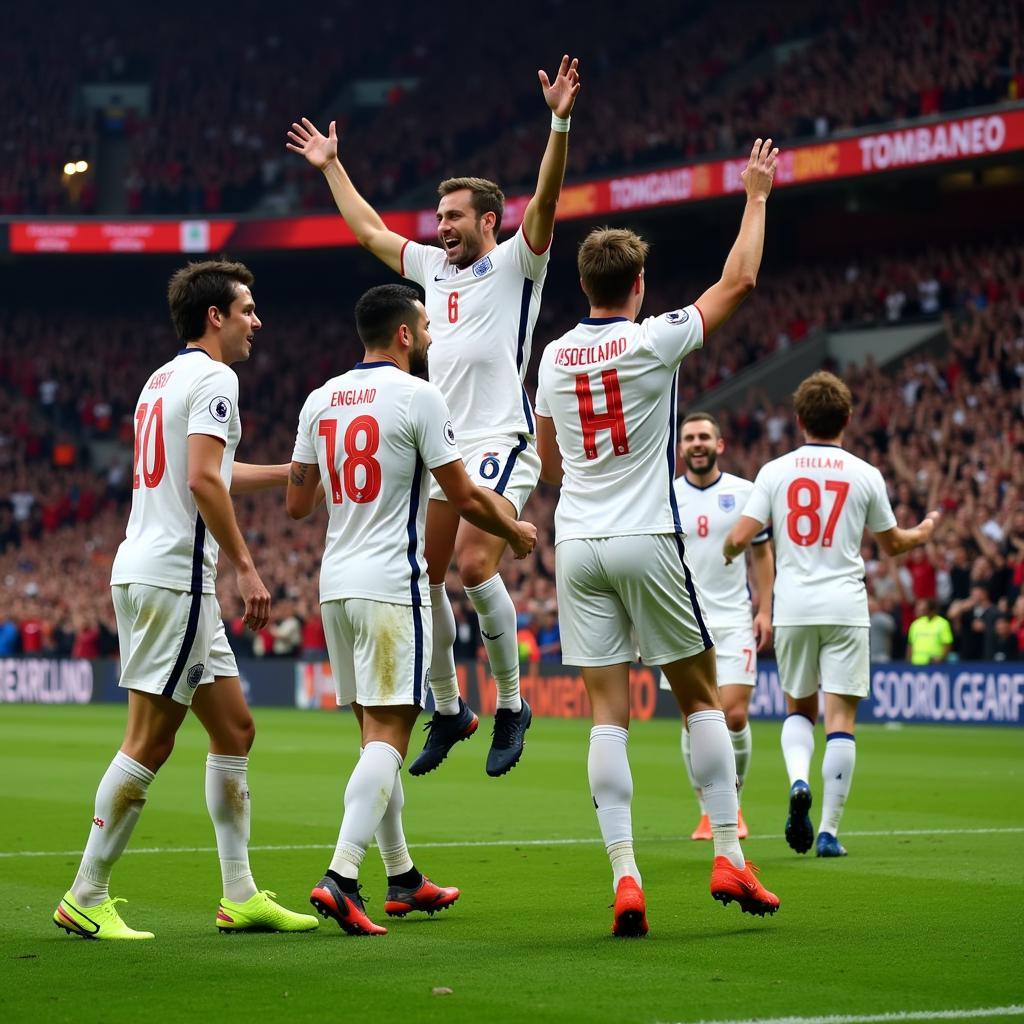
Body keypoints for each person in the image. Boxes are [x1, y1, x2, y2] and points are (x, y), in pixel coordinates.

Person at [286, 54, 580, 778]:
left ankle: (512, 702)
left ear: (488, 219)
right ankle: (449, 709)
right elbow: (367, 231)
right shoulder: (430, 271)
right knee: (425, 574)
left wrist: (559, 121)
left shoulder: (519, 261)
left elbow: (546, 198)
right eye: (438, 216)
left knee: (480, 562)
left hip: (501, 439)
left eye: (453, 216)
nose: (440, 226)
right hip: (443, 445)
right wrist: (331, 165)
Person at [534, 138, 782, 937]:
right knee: (698, 696)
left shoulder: (554, 354)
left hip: (577, 542)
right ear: (637, 286)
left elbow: (548, 462)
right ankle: (730, 854)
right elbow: (738, 281)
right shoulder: (655, 337)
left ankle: (627, 877)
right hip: (647, 532)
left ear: (582, 283)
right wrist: (754, 196)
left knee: (609, 714)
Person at [54, 259, 318, 940]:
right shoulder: (216, 378)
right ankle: (86, 892)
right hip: (177, 577)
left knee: (234, 728)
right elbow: (204, 482)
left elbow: (210, 470)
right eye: (248, 310)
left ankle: (239, 895)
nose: (256, 322)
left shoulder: (161, 379)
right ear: (216, 317)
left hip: (157, 569)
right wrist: (248, 567)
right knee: (150, 739)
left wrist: (290, 473)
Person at [286, 284, 537, 936]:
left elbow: (296, 503)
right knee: (390, 737)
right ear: (403, 334)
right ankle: (341, 876)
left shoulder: (320, 399)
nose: (429, 335)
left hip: (334, 584)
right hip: (392, 586)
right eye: (424, 325)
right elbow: (464, 496)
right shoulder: (422, 397)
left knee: (372, 735)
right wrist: (515, 532)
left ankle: (400, 876)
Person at [724, 371, 939, 858]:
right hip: (846, 604)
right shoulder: (865, 474)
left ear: (799, 419)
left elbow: (740, 537)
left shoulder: (775, 471)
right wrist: (924, 531)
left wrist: (725, 549)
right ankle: (828, 832)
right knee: (841, 718)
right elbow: (893, 544)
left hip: (794, 606)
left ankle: (799, 780)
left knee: (800, 708)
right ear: (847, 417)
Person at [665, 411, 774, 841]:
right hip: (682, 618)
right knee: (694, 720)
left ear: (719, 444)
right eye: (689, 437)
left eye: (704, 437)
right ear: (681, 447)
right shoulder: (667, 496)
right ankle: (708, 811)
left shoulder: (745, 493)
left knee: (733, 714)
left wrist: (765, 608)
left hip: (732, 618)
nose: (696, 443)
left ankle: (734, 801)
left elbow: (762, 554)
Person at [906, 599, 953, 665]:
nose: (920, 611)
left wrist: (941, 658)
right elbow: (910, 644)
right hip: (916, 662)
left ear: (931, 610)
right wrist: (908, 660)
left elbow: (947, 643)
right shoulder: (915, 624)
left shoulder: (943, 623)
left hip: (934, 664)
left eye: (923, 609)